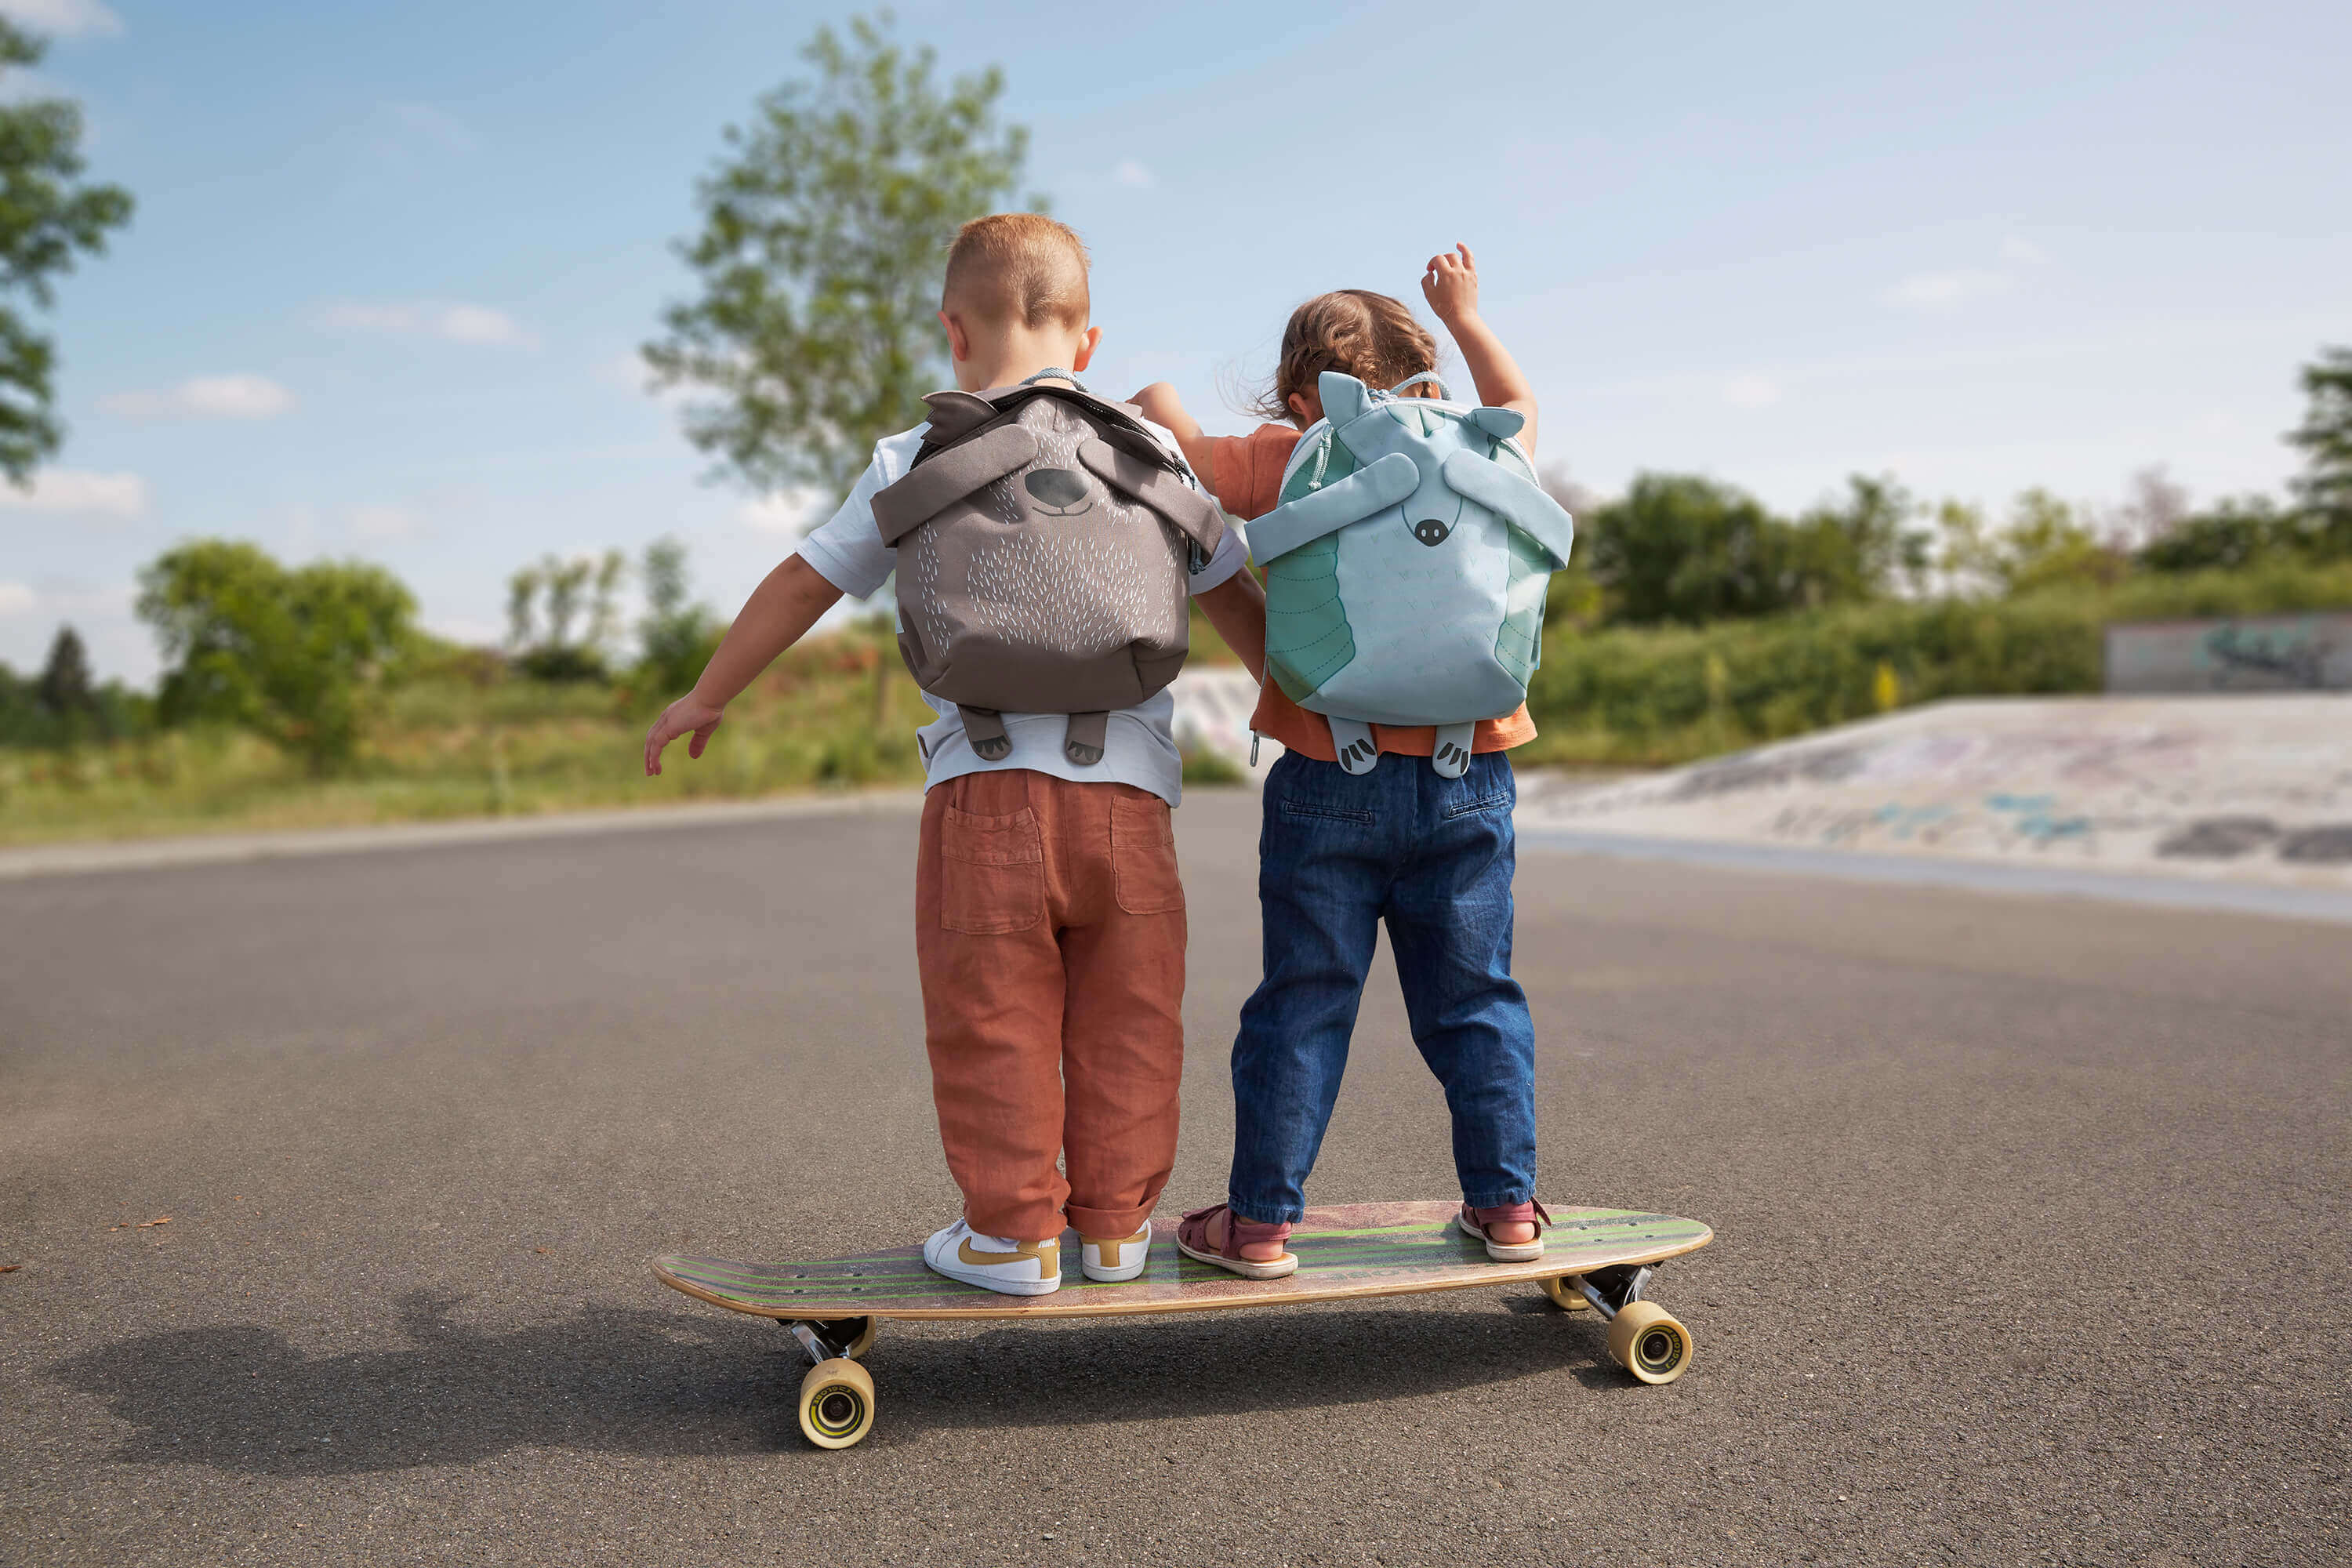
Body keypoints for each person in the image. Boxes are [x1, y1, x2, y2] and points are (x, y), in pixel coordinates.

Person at [645, 213, 1266, 1296]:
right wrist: (1290, 707)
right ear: (1088, 340)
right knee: (1129, 1018)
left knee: (995, 1019)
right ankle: (1117, 1230)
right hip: (1129, 806)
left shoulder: (920, 452)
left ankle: (1013, 1236)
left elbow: (806, 581)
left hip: (983, 799)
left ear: (953, 332)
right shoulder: (1149, 452)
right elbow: (1233, 597)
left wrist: (708, 693)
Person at [1129, 245, 1551, 1278]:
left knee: (1305, 999)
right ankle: (1507, 1210)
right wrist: (1468, 315)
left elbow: (1181, 449)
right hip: (1471, 775)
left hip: (1329, 775)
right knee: (1474, 999)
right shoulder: (1485, 446)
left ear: (1298, 390)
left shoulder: (1289, 451)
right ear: (1431, 374)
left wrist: (1156, 397)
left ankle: (1264, 1222)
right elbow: (1520, 398)